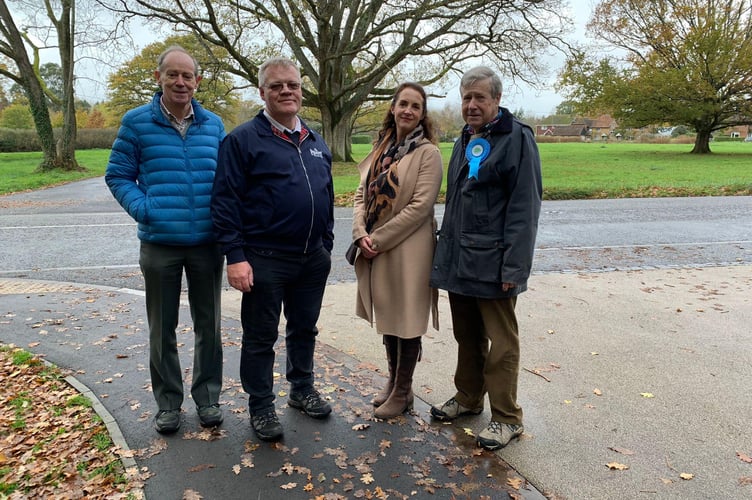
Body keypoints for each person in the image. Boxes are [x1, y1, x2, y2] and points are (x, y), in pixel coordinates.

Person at [211, 57, 334, 442]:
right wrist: (235, 256)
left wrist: (325, 244)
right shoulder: (243, 140)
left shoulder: (315, 142)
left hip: (311, 259)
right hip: (264, 259)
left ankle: (301, 389)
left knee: (304, 329)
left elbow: (326, 195)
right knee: (261, 336)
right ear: (262, 93)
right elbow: (225, 202)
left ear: (301, 91)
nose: (286, 91)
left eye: (292, 85)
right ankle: (261, 405)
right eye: (277, 86)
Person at [105, 46, 226, 434]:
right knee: (163, 328)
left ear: (197, 81)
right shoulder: (137, 122)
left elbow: (226, 181)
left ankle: (207, 398)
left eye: (187, 76)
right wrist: (145, 208)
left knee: (210, 325)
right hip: (160, 243)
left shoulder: (214, 125)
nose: (180, 82)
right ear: (158, 78)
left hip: (207, 243)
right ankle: (168, 404)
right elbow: (118, 175)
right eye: (172, 74)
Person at [429, 66, 542, 450]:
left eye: (480, 97)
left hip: (494, 264)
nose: (472, 105)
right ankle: (468, 398)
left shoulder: (517, 138)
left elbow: (525, 208)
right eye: (466, 98)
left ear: (497, 99)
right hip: (461, 260)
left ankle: (507, 418)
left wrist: (514, 266)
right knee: (467, 336)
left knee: (501, 342)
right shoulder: (465, 138)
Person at [351, 83, 443, 419]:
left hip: (411, 248)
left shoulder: (428, 153)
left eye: (415, 106)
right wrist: (360, 232)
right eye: (402, 103)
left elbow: (420, 207)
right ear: (392, 107)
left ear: (422, 114)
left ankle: (404, 391)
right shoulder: (382, 147)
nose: (407, 110)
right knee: (390, 312)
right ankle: (394, 384)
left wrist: (378, 239)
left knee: (408, 317)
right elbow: (361, 194)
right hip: (378, 245)